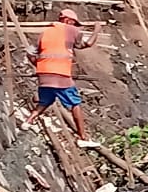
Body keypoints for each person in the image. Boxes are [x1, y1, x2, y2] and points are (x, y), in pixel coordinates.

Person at [23, 9, 100, 140]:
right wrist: (97, 30)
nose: (75, 26)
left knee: (45, 101)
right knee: (75, 103)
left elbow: (30, 52)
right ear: (67, 20)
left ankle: (28, 121)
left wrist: (40, 66)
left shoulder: (46, 32)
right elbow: (87, 43)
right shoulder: (70, 30)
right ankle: (83, 137)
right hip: (60, 75)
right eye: (74, 23)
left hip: (44, 74)